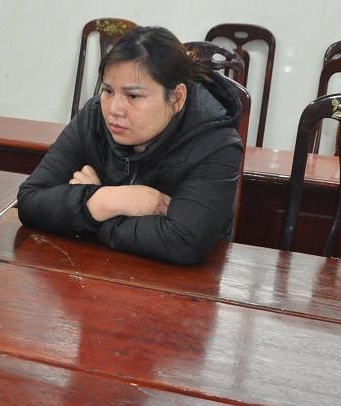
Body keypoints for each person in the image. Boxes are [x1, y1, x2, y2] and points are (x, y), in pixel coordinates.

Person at [17, 25, 243, 264]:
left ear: (177, 98)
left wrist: (90, 216)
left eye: (133, 96)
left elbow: (183, 242)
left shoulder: (216, 143)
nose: (114, 110)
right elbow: (30, 201)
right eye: (108, 91)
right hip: (94, 274)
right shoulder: (94, 116)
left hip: (180, 291)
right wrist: (109, 200)